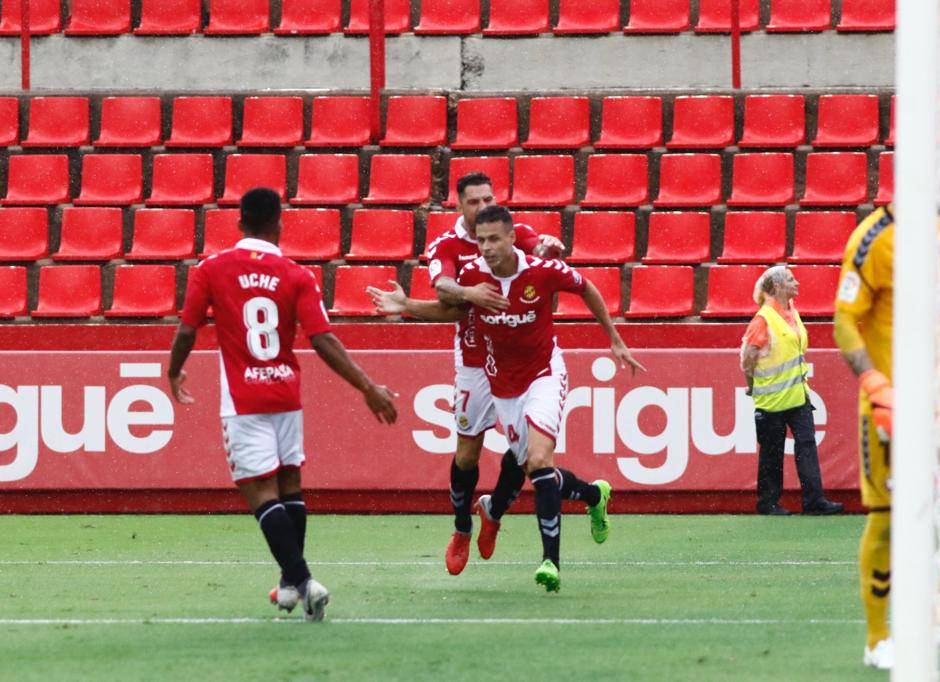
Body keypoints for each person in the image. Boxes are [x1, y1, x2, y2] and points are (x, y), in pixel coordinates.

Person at [370, 205, 644, 592]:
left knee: (538, 458)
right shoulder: (472, 277)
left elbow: (587, 288)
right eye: (481, 240)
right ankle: (592, 494)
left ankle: (551, 561)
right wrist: (407, 306)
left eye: (494, 239)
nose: (487, 247)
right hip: (503, 385)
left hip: (545, 374)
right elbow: (452, 310)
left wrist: (614, 338)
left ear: (512, 237)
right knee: (533, 467)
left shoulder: (540, 271)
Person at [167, 188, 398, 621]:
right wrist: (366, 386)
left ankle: (304, 580)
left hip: (243, 399)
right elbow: (323, 340)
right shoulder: (296, 275)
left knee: (259, 492)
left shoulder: (211, 270)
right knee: (290, 486)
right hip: (286, 393)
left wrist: (173, 371)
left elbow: (186, 331)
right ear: (279, 224)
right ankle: (290, 583)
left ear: (240, 223)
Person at [834, 203, 940, 669]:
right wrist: (875, 384)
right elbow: (844, 320)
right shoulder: (871, 240)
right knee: (887, 517)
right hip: (891, 397)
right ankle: (879, 639)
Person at [422, 172, 564, 576]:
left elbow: (540, 250)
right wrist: (470, 294)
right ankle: (462, 527)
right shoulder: (447, 245)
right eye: (474, 202)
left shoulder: (512, 231)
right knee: (467, 454)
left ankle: (495, 512)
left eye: (488, 199)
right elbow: (443, 288)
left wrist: (549, 248)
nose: (483, 207)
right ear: (459, 205)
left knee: (525, 455)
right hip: (472, 362)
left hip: (516, 358)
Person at [740, 266, 843, 517]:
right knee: (772, 454)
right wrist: (752, 387)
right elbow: (748, 358)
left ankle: (814, 500)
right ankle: (768, 503)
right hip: (772, 400)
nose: (796, 282)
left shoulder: (792, 313)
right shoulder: (763, 319)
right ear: (776, 287)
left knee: (806, 446)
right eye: (790, 279)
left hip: (798, 396)